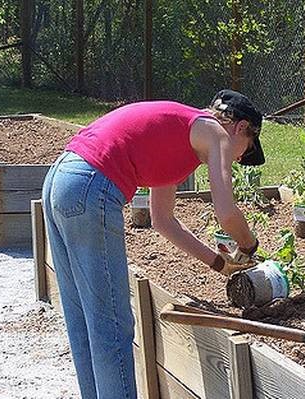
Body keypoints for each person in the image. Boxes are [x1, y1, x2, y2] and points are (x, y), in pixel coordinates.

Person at [41, 89, 263, 399]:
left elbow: (163, 221)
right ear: (240, 128)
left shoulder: (179, 134)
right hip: (90, 184)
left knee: (84, 318)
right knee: (113, 325)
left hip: (61, 178)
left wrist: (219, 264)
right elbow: (226, 213)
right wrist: (249, 246)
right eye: (247, 148)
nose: (239, 158)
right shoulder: (216, 133)